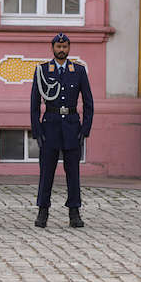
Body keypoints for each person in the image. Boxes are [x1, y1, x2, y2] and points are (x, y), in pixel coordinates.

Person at [30, 33, 94, 228]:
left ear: (69, 48)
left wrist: (85, 130)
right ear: (52, 48)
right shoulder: (42, 70)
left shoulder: (79, 71)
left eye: (65, 46)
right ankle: (43, 211)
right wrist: (37, 131)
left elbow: (89, 102)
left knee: (73, 172)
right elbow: (34, 103)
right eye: (58, 46)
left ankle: (74, 212)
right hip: (50, 125)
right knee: (46, 172)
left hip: (72, 127)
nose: (62, 50)